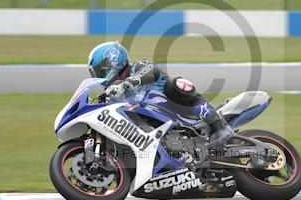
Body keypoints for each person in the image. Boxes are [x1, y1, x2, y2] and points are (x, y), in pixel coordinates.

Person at [87, 41, 231, 151]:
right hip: (153, 130)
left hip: (177, 111)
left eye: (100, 71)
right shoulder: (114, 94)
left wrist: (130, 82)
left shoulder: (138, 65)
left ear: (111, 62)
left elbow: (151, 70)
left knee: (176, 83)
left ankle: (218, 126)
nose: (99, 76)